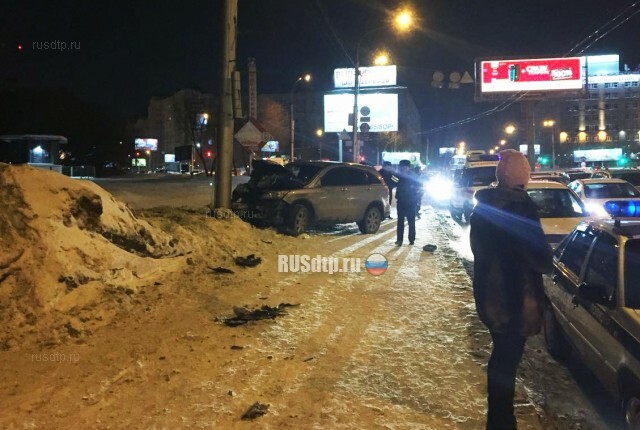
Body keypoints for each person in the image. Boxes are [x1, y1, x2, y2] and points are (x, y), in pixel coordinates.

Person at [469, 149, 553, 430]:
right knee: (507, 361)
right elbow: (540, 257)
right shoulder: (521, 208)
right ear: (523, 177)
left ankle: (500, 419)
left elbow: (479, 251)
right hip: (516, 301)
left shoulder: (484, 208)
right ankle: (502, 422)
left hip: (491, 298)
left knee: (501, 357)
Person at [394, 159, 422, 245]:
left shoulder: (414, 176)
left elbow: (419, 187)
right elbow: (392, 183)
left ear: (408, 167)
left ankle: (411, 239)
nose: (402, 168)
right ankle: (399, 240)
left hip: (411, 202)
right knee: (400, 222)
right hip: (401, 201)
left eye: (404, 167)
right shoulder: (398, 176)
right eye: (401, 167)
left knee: (411, 222)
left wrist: (416, 199)